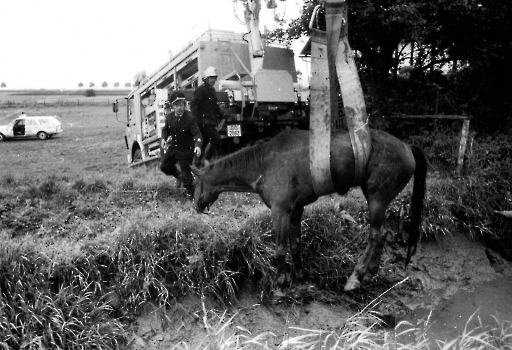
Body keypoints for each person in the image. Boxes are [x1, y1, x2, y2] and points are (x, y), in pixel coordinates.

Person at [160, 92, 202, 199]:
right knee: (164, 167)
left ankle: (192, 196)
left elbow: (197, 134)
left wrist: (197, 145)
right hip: (174, 148)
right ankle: (179, 176)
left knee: (187, 176)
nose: (179, 108)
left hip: (185, 150)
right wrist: (163, 139)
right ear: (173, 106)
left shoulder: (190, 118)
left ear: (184, 105)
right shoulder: (170, 117)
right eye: (177, 105)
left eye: (181, 105)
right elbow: (166, 129)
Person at [190, 66, 226, 166]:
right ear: (206, 79)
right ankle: (206, 159)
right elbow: (193, 104)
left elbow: (214, 106)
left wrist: (223, 113)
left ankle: (198, 164)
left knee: (203, 144)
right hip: (204, 123)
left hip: (209, 122)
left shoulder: (212, 91)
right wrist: (196, 120)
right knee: (216, 139)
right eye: (211, 78)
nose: (213, 80)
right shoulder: (201, 90)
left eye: (214, 78)